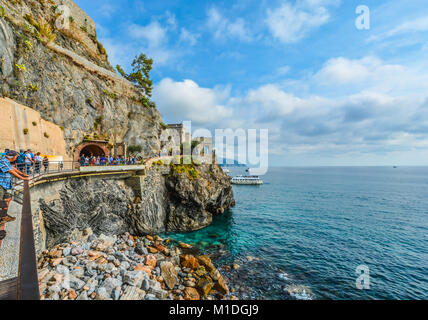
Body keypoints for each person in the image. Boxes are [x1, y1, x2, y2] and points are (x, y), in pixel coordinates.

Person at [0, 150, 30, 233]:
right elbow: (11, 171)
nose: (17, 158)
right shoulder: (2, 161)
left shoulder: (6, 160)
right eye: (16, 156)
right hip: (1, 185)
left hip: (5, 185)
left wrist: (23, 174)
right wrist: (23, 178)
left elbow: (13, 168)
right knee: (1, 202)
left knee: (8, 199)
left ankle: (3, 216)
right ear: (12, 157)